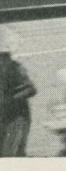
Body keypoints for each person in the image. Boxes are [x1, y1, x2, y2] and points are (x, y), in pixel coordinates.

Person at [1, 28, 36, 156]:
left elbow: (31, 89)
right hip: (4, 117)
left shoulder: (14, 67)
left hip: (16, 118)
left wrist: (8, 101)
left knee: (10, 154)